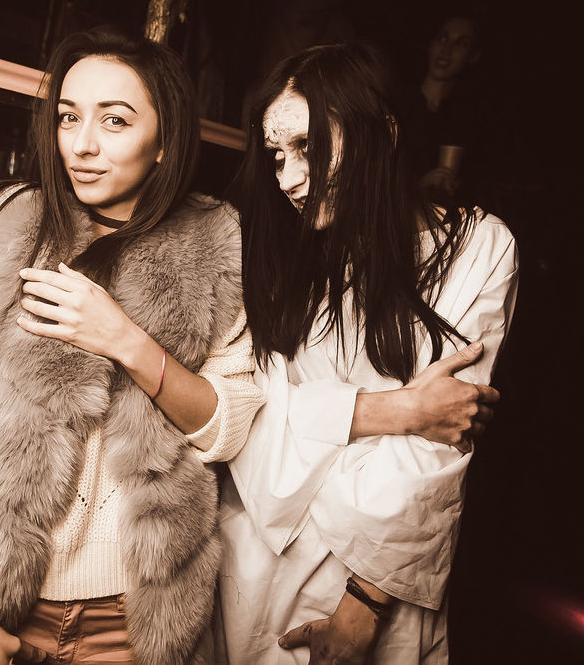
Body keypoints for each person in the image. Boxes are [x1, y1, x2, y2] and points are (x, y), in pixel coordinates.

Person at [0, 28, 268, 664]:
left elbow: (228, 427)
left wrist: (125, 340)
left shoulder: (214, 243)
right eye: (69, 117)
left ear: (165, 141)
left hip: (135, 621)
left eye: (114, 120)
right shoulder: (18, 229)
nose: (83, 145)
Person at [219, 41, 519, 664]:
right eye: (277, 155)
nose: (288, 178)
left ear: (382, 131)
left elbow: (441, 442)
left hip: (377, 583)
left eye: (309, 147)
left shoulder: (478, 248)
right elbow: (243, 411)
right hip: (256, 561)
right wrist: (399, 410)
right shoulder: (276, 248)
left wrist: (362, 608)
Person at [400, 15, 491, 203]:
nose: (446, 49)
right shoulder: (398, 102)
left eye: (461, 44)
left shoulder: (467, 116)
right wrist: (418, 186)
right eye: (442, 38)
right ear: (430, 44)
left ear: (473, 56)